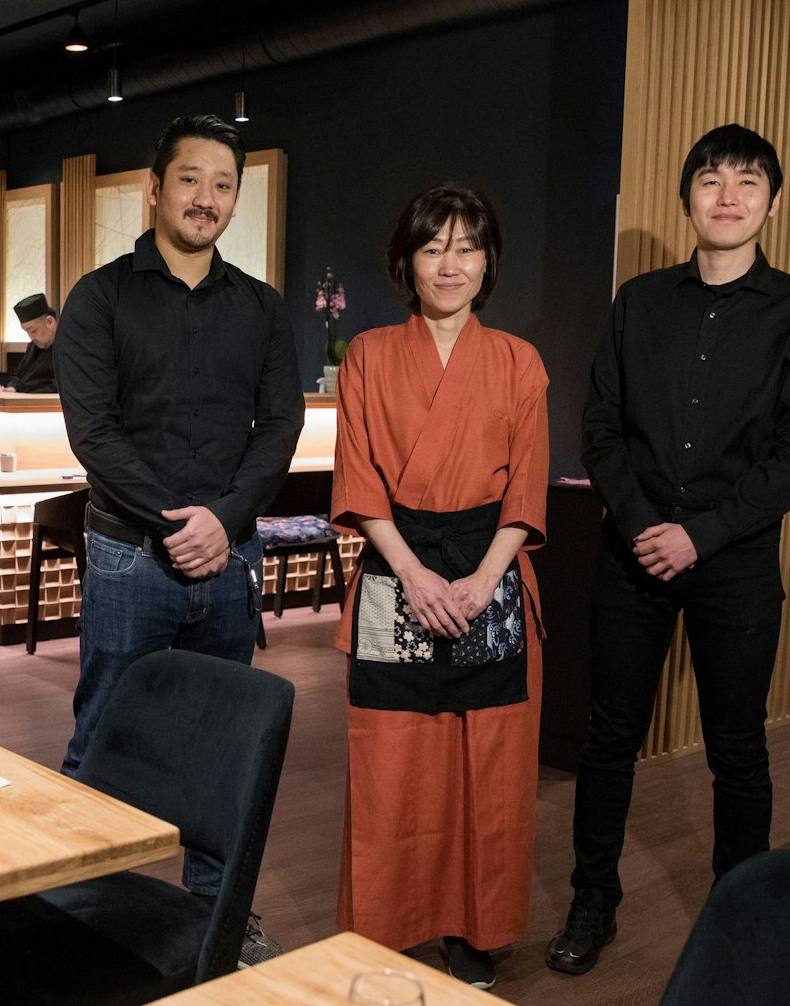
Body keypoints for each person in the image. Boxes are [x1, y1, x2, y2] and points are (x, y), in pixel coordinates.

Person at [548, 123, 790, 975]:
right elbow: (600, 427)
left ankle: (739, 925)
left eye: (747, 182)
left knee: (738, 747)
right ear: (688, 197)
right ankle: (592, 901)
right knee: (609, 737)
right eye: (712, 179)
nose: (728, 195)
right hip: (632, 550)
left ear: (772, 202)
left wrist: (701, 533)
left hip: (736, 559)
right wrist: (645, 525)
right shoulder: (638, 301)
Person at [55, 113, 303, 963]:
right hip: (131, 554)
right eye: (190, 179)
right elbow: (95, 433)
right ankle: (75, 903)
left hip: (230, 557)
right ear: (155, 188)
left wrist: (224, 521)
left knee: (223, 745)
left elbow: (280, 426)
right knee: (104, 732)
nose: (207, 198)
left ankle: (219, 917)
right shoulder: (100, 296)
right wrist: (180, 520)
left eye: (223, 183)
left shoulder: (262, 308)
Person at [330, 185, 548, 991]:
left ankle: (477, 931)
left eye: (466, 247)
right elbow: (358, 479)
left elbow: (526, 490)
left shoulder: (520, 361)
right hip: (399, 571)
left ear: (487, 260)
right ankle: (387, 927)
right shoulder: (368, 355)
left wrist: (485, 578)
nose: (449, 264)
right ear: (406, 263)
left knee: (486, 767)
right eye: (432, 248)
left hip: (490, 571)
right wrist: (416, 574)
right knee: (394, 761)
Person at [3, 293, 58, 393]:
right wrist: (13, 388)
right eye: (27, 332)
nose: (31, 337)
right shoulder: (33, 346)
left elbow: (56, 387)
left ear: (50, 322)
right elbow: (18, 374)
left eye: (33, 331)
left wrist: (21, 390)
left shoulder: (69, 347)